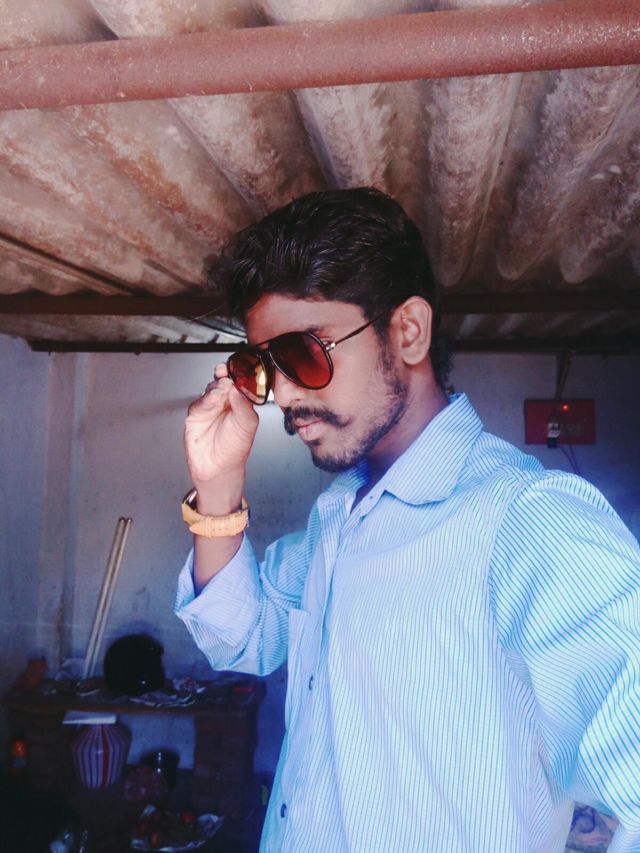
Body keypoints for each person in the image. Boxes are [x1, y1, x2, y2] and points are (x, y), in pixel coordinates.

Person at [175, 188, 640, 852]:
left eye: (304, 353)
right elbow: (242, 637)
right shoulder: (338, 518)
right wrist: (217, 486)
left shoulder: (530, 522)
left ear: (409, 331)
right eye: (263, 368)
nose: (286, 395)